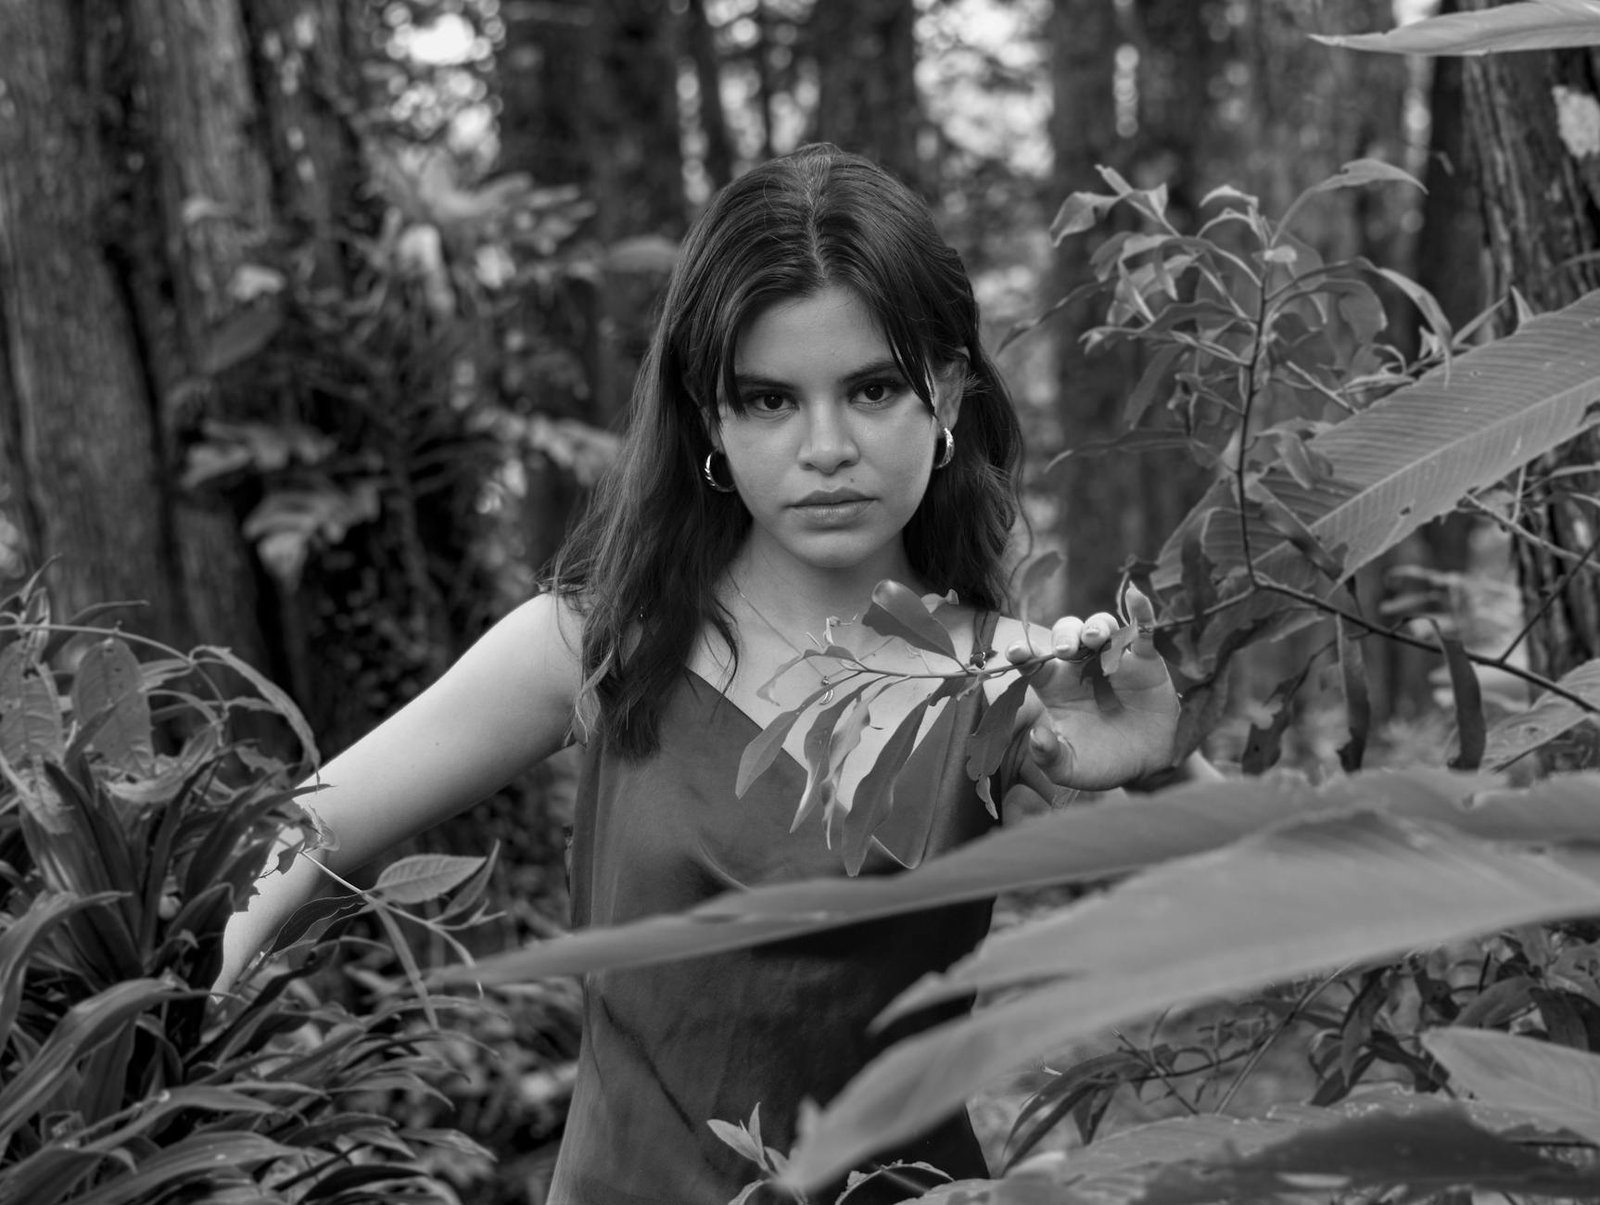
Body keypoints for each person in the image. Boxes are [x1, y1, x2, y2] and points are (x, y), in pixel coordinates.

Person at [219, 143, 1181, 1204]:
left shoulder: (1008, 675)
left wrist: (1154, 768)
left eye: (870, 389)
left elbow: (1298, 906)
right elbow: (305, 825)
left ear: (945, 391)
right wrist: (191, 1005)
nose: (825, 446)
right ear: (710, 417)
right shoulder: (593, 643)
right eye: (769, 400)